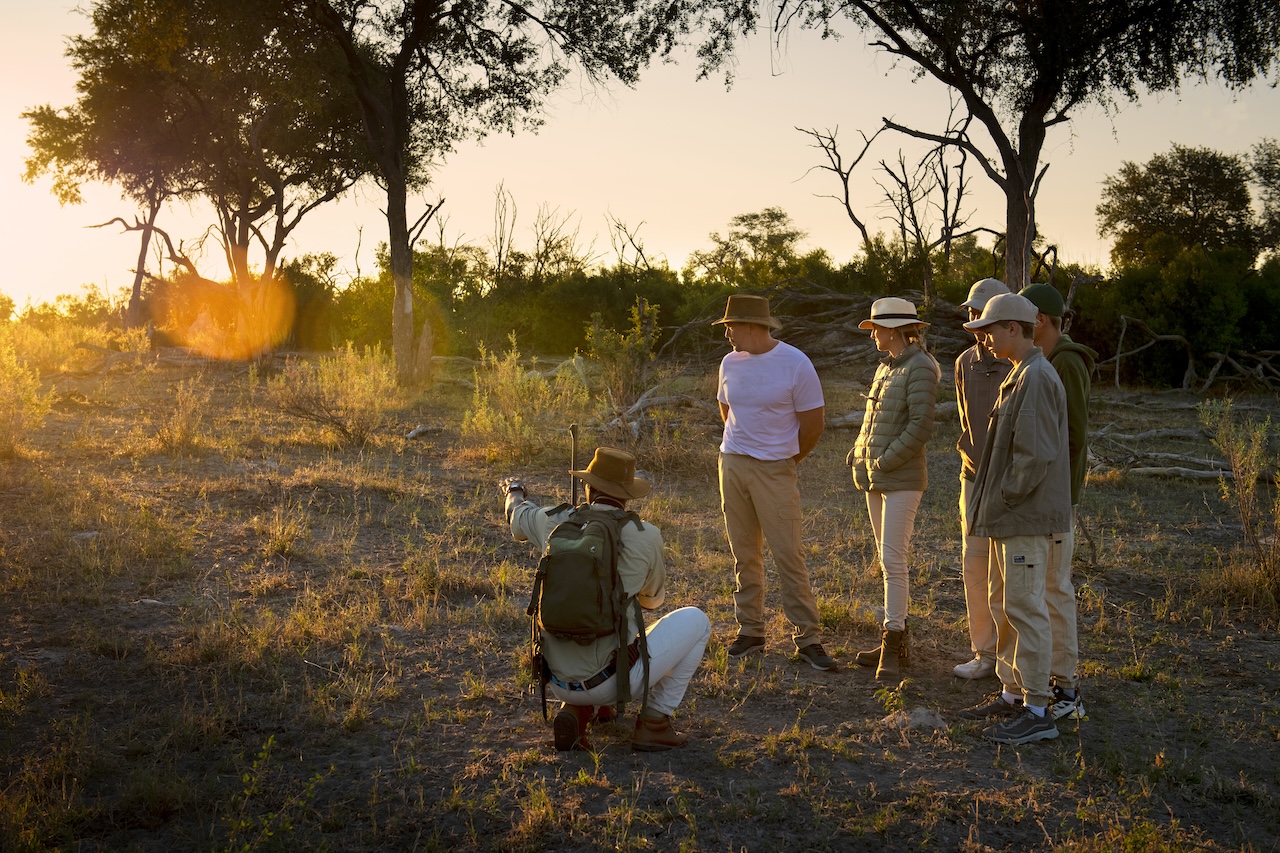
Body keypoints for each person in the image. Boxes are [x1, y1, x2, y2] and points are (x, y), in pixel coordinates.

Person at [503, 447, 711, 752]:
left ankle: (575, 708)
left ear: (588, 487)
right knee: (698, 621)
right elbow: (651, 602)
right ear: (627, 495)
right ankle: (654, 723)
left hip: (553, 678)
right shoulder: (646, 535)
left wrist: (513, 490)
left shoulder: (555, 520)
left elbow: (515, 517)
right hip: (611, 679)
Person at [956, 292, 1073, 745]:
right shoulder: (1021, 374)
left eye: (989, 329)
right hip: (1013, 516)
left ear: (1013, 328)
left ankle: (1039, 711)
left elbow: (1034, 456)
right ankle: (1013, 695)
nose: (982, 338)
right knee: (1009, 605)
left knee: (1027, 608)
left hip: (1025, 515)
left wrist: (1002, 498)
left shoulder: (1037, 378)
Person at [713, 294, 835, 671]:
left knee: (788, 554)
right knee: (743, 553)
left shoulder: (795, 363)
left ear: (752, 326)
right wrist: (742, 450)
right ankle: (750, 631)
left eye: (731, 326)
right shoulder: (729, 362)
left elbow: (813, 425)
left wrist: (783, 459)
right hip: (732, 464)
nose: (728, 333)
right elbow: (726, 410)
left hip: (775, 469)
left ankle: (808, 638)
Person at [846, 297, 941, 681]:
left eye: (877, 329)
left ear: (895, 329)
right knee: (886, 561)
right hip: (875, 477)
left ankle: (894, 640)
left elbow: (920, 426)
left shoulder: (920, 367)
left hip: (899, 477)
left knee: (894, 560)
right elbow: (874, 419)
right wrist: (858, 454)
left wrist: (883, 461)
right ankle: (894, 635)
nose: (873, 335)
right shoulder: (886, 366)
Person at [1020, 282, 1098, 721]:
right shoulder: (1046, 360)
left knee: (1055, 588)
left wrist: (1057, 492)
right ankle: (1051, 677)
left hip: (1057, 497)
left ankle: (1068, 691)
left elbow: (1073, 436)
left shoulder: (1066, 362)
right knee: (1044, 588)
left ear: (1041, 321)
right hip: (1048, 497)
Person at [952, 279, 1013, 680]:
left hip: (1010, 482)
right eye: (972, 313)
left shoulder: (1019, 363)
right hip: (972, 477)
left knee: (1007, 572)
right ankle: (984, 653)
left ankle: (1011, 657)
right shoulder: (963, 363)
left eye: (983, 314)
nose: (976, 321)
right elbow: (965, 420)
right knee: (974, 565)